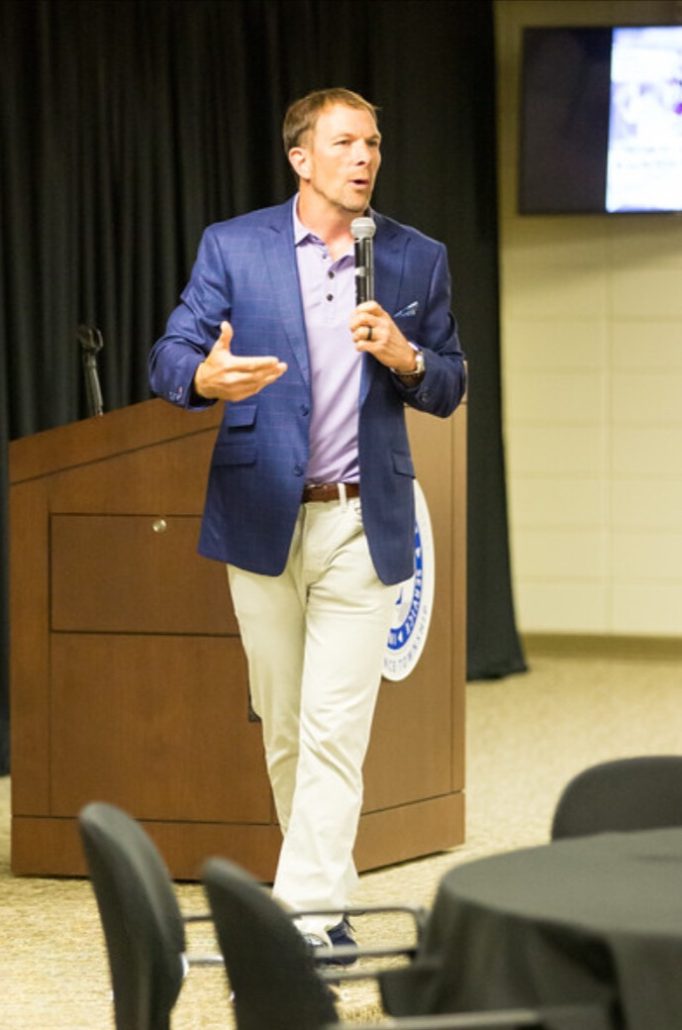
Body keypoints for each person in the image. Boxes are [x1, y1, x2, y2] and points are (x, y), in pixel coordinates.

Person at [149, 87, 466, 958]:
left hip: (364, 521)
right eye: (345, 143)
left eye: (373, 142)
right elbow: (170, 353)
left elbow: (449, 379)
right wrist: (204, 380)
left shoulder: (414, 257)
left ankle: (294, 925)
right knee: (286, 726)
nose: (364, 158)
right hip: (260, 518)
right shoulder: (235, 246)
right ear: (301, 158)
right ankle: (323, 902)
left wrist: (406, 358)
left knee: (335, 729)